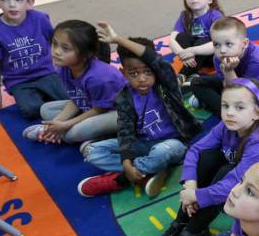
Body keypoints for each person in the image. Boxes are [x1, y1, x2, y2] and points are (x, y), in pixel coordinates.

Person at [153, 79, 259, 236]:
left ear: (257, 113)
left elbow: (234, 182)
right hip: (239, 174)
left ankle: (196, 230)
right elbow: (195, 150)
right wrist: (190, 186)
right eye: (225, 106)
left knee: (225, 172)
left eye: (239, 108)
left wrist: (197, 196)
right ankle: (183, 219)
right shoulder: (227, 126)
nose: (230, 113)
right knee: (208, 157)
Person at [76, 23, 201, 198]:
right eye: (133, 73)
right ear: (123, 72)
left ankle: (121, 179)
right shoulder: (123, 97)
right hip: (143, 144)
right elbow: (125, 130)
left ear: (155, 70)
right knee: (92, 152)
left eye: (147, 72)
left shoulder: (166, 84)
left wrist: (118, 39)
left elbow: (155, 61)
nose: (142, 79)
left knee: (161, 152)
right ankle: (148, 170)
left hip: (173, 144)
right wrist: (126, 161)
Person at [22, 20, 126, 146]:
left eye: (65, 48)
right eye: (55, 44)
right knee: (46, 109)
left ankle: (99, 137)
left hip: (121, 112)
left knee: (73, 134)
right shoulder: (63, 67)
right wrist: (56, 123)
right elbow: (78, 99)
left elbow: (100, 109)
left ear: (86, 54)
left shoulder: (99, 77)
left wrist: (66, 124)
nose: (56, 52)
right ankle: (55, 132)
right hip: (93, 106)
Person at [0, 0, 66, 119]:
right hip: (18, 80)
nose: (12, 5)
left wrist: (68, 71)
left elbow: (55, 43)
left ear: (29, 2)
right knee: (30, 110)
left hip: (46, 71)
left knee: (69, 98)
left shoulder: (40, 18)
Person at [188, 16, 259, 115]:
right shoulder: (219, 57)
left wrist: (228, 71)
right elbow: (227, 87)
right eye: (216, 45)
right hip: (236, 84)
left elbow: (243, 96)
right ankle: (224, 109)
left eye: (229, 44)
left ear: (244, 43)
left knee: (251, 110)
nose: (222, 50)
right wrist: (228, 72)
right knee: (196, 82)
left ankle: (224, 111)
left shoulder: (258, 60)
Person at [168, 0, 224, 73]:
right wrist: (183, 54)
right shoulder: (185, 16)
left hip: (212, 55)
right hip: (192, 57)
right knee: (181, 37)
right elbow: (172, 40)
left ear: (210, 0)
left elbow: (219, 43)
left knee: (202, 41)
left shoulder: (215, 15)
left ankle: (185, 73)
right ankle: (191, 66)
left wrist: (192, 50)